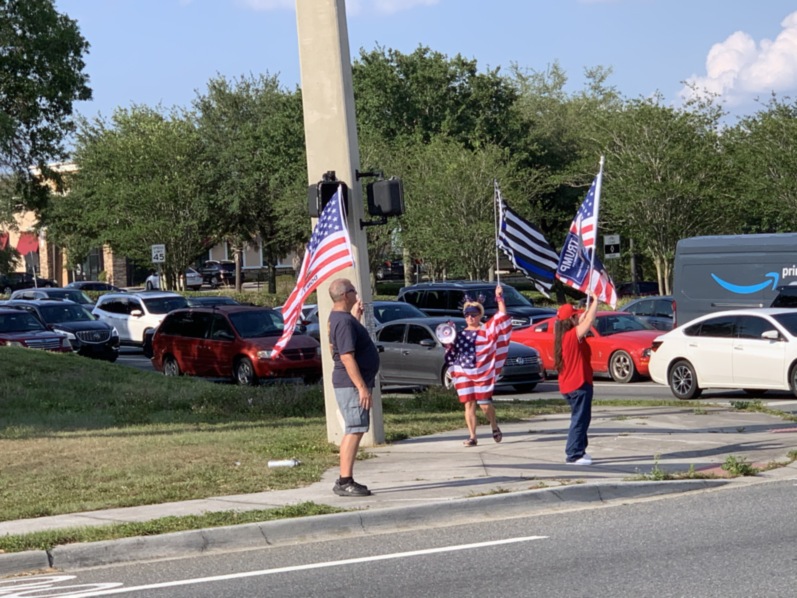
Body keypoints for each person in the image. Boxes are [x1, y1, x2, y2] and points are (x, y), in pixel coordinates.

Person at [327, 277, 380, 497]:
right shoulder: (343, 322)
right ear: (344, 295)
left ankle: (345, 479)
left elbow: (345, 345)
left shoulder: (344, 319)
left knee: (356, 428)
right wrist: (361, 387)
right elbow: (346, 356)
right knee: (354, 429)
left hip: (352, 383)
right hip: (351, 385)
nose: (356, 294)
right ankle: (344, 481)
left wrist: (356, 316)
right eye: (353, 290)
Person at [444, 284, 512, 447]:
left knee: (485, 405)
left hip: (483, 373)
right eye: (467, 314)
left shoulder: (487, 331)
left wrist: (499, 298)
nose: (470, 317)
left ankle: (494, 425)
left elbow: (501, 316)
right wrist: (448, 337)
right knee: (469, 404)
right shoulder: (459, 334)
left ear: (480, 315)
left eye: (473, 314)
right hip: (463, 372)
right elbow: (450, 349)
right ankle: (472, 436)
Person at [554, 291, 600, 465]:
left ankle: (580, 449)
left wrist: (588, 309)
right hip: (578, 384)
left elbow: (584, 319)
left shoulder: (563, 336)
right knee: (579, 420)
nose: (578, 318)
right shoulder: (571, 337)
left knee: (582, 418)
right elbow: (588, 322)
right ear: (570, 320)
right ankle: (573, 454)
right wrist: (596, 301)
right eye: (575, 316)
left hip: (572, 385)